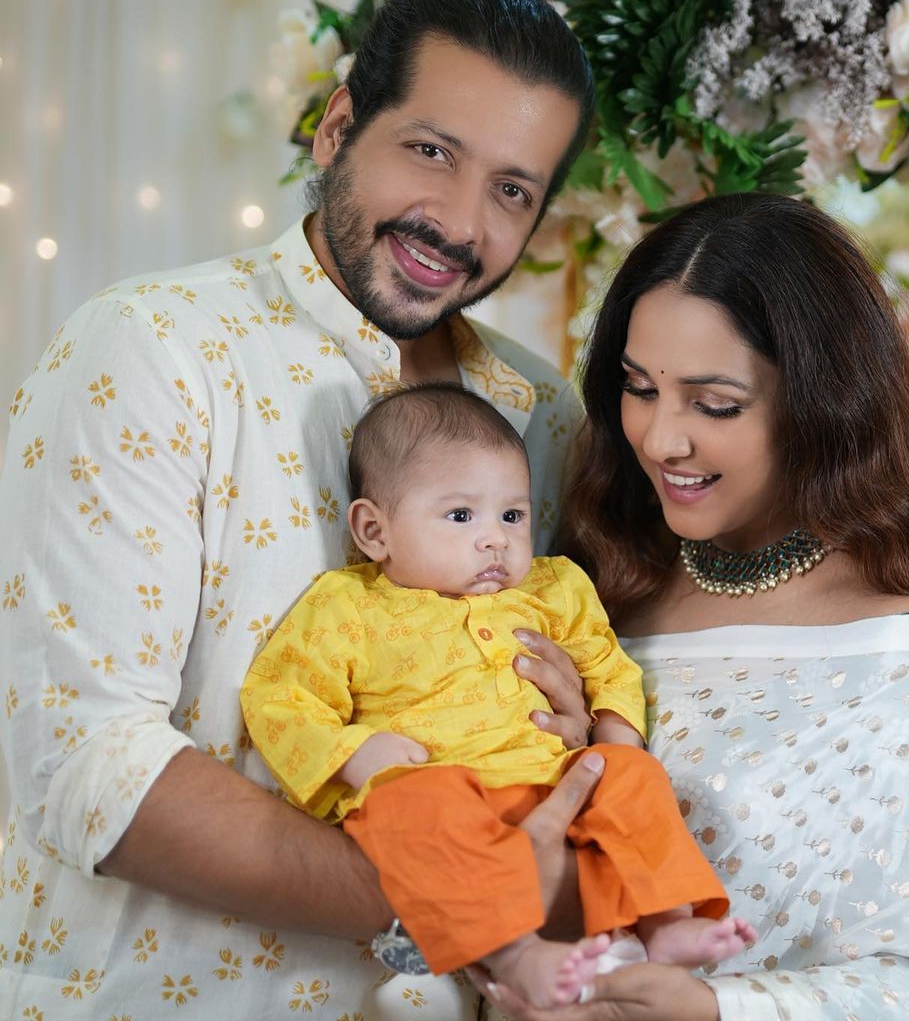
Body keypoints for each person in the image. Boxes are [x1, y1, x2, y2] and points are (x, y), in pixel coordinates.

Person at [0, 0, 607, 1020]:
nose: (459, 222)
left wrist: (576, 738)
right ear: (337, 127)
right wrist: (459, 896)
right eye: (431, 151)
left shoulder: (544, 414)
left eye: (512, 191)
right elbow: (85, 761)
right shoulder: (153, 349)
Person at [472, 194, 909, 1020]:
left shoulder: (900, 668)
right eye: (639, 387)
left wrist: (717, 1009)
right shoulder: (593, 581)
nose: (661, 439)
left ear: (822, 405)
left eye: (715, 404)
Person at [240, 383, 753, 1007]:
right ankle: (515, 952)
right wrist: (354, 754)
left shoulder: (554, 587)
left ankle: (666, 922)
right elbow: (280, 696)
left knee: (633, 774)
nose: (495, 539)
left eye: (512, 516)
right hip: (446, 792)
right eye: (461, 516)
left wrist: (616, 734)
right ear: (375, 530)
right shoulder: (348, 606)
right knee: (410, 803)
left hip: (558, 780)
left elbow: (605, 662)